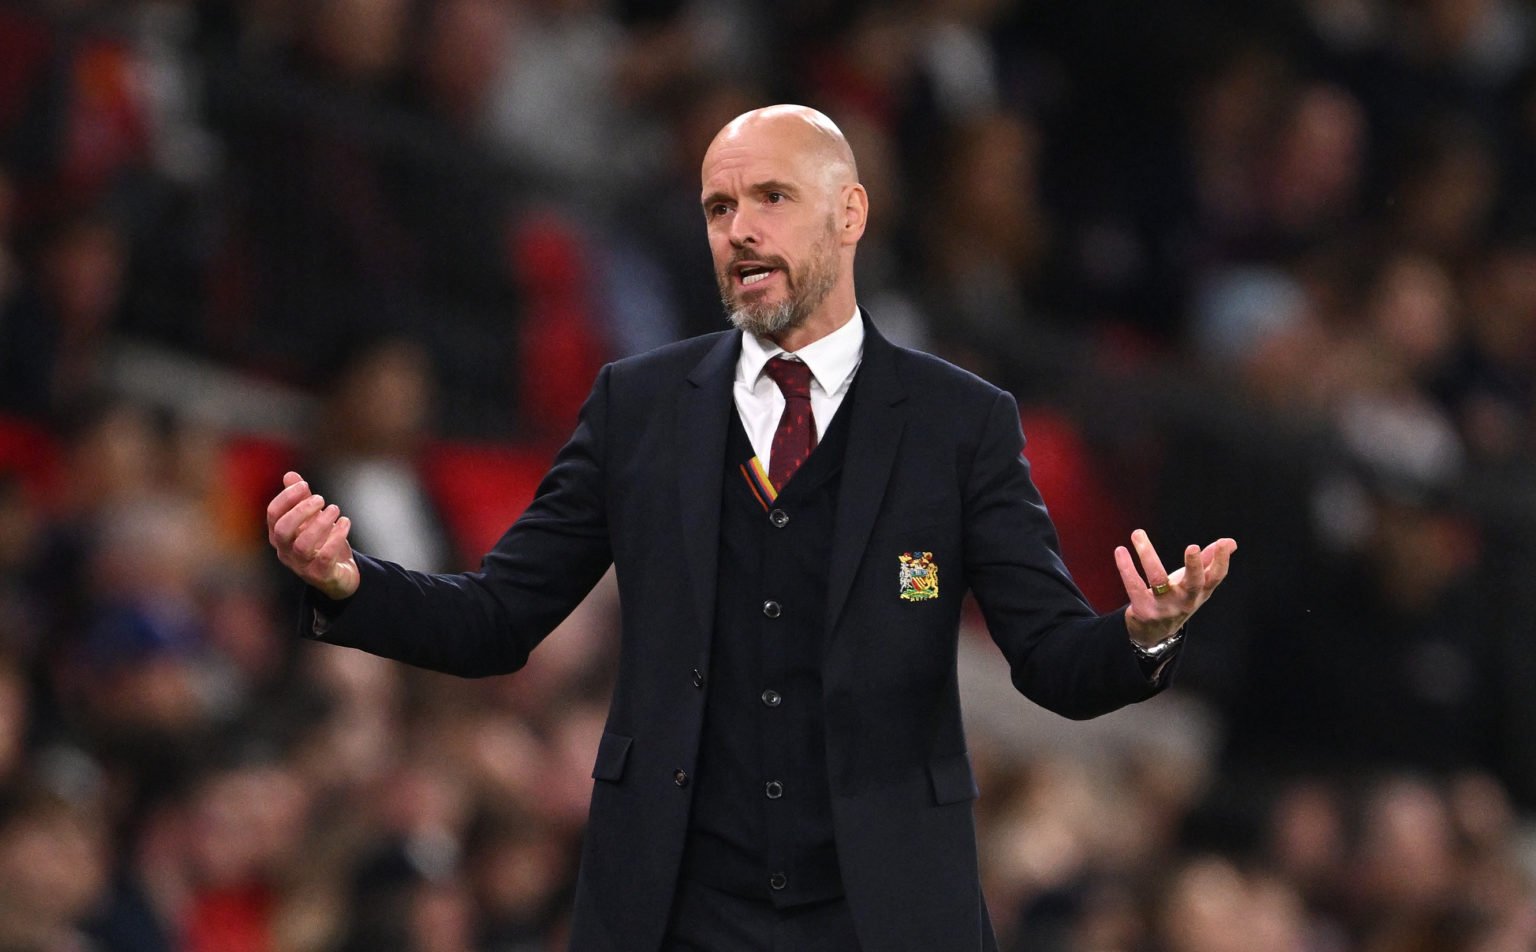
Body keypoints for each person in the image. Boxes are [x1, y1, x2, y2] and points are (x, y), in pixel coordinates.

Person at [266, 104, 1237, 952]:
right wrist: (352, 584)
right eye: (720, 207)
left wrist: (1141, 634)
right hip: (675, 899)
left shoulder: (958, 423)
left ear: (849, 216)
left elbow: (1050, 657)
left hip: (881, 904)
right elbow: (497, 619)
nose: (740, 230)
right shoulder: (635, 406)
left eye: (771, 198)